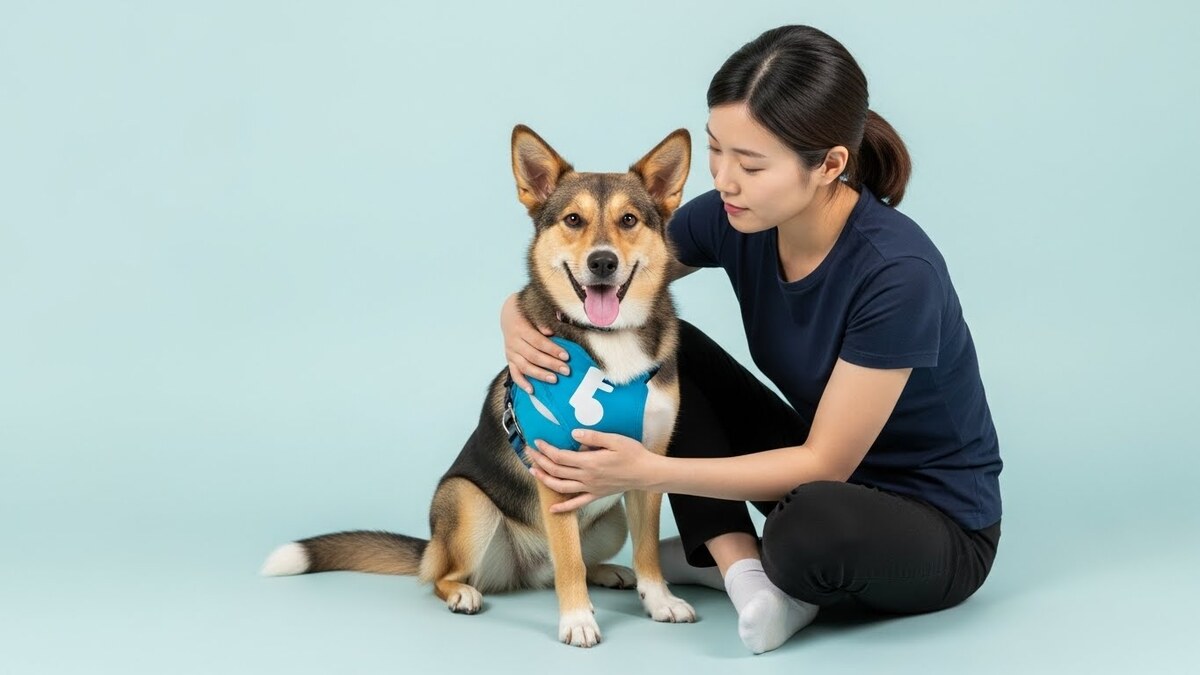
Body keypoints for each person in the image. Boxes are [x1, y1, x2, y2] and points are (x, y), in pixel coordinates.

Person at [499, 24, 1002, 655]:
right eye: (716, 151)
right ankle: (741, 572)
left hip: (934, 523)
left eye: (751, 163)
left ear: (829, 165)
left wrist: (647, 471)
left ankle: (763, 567)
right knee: (671, 349)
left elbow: (827, 465)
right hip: (818, 471)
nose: (725, 180)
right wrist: (515, 317)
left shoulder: (899, 275)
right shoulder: (739, 216)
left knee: (808, 530)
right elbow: (614, 276)